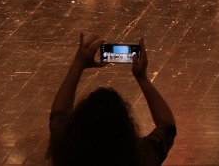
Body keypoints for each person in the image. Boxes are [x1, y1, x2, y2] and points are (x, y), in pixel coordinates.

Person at [48, 37, 176, 166]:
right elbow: (167, 126)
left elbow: (59, 114)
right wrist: (142, 78)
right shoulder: (143, 157)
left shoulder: (65, 152)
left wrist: (78, 65)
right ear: (126, 127)